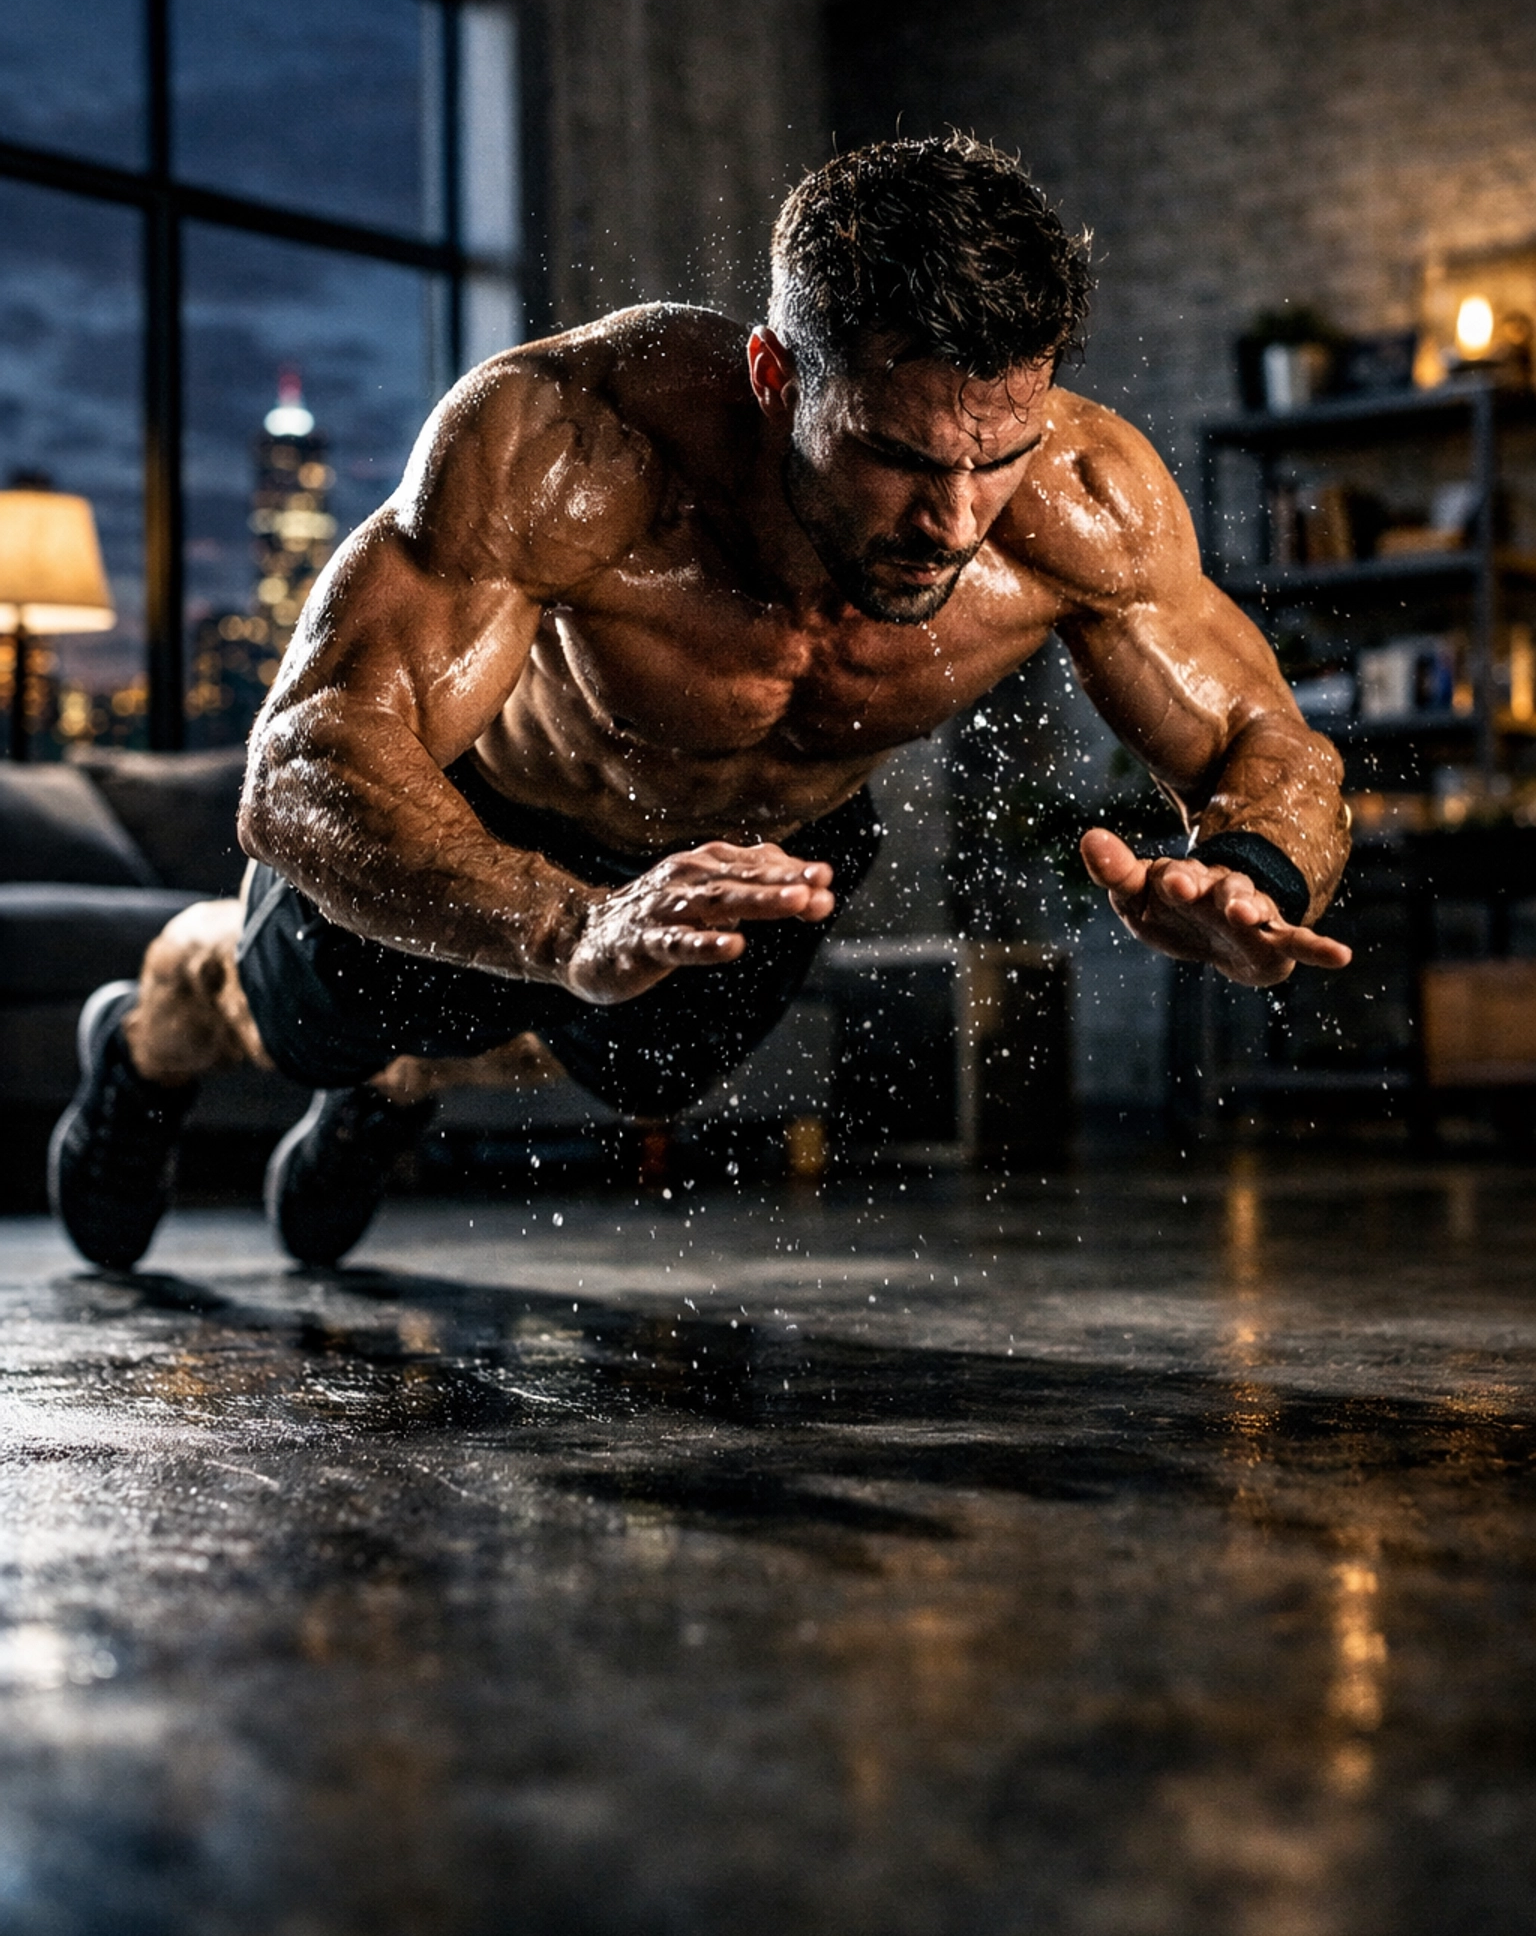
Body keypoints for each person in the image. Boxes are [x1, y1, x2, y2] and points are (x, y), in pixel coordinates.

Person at [49, 135, 1351, 1272]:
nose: (954, 523)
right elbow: (303, 766)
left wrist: (1254, 874)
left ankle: (409, 1073)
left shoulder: (1089, 502)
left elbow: (1267, 742)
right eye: (895, 457)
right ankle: (144, 1039)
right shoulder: (576, 441)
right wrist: (568, 923)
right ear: (777, 376)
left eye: (998, 457)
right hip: (480, 816)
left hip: (757, 851)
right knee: (294, 1026)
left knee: (637, 1066)